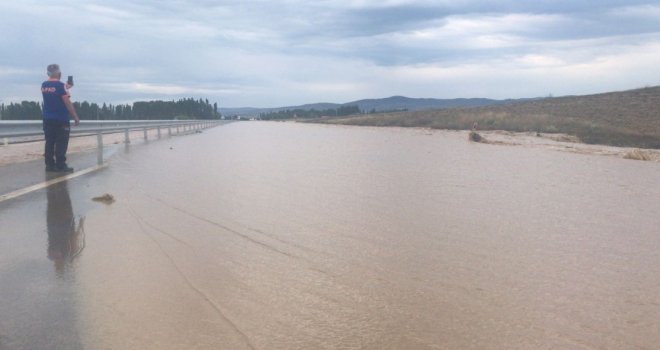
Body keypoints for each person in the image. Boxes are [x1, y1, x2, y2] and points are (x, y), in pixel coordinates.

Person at [42, 64, 80, 172]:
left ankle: (49, 165)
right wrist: (75, 117)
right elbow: (67, 102)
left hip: (47, 119)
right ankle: (60, 165)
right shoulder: (61, 86)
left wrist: (67, 85)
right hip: (61, 119)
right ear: (60, 74)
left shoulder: (44, 85)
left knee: (49, 142)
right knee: (61, 143)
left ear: (47, 73)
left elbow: (55, 88)